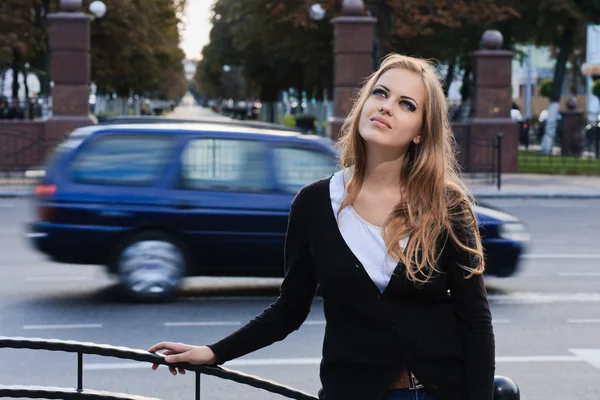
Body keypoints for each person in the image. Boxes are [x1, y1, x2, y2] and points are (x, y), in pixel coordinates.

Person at [148, 53, 495, 400]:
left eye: (406, 104)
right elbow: (290, 308)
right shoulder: (314, 204)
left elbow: (476, 321)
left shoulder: (446, 206)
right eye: (380, 93)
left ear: (421, 132)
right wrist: (214, 351)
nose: (386, 107)